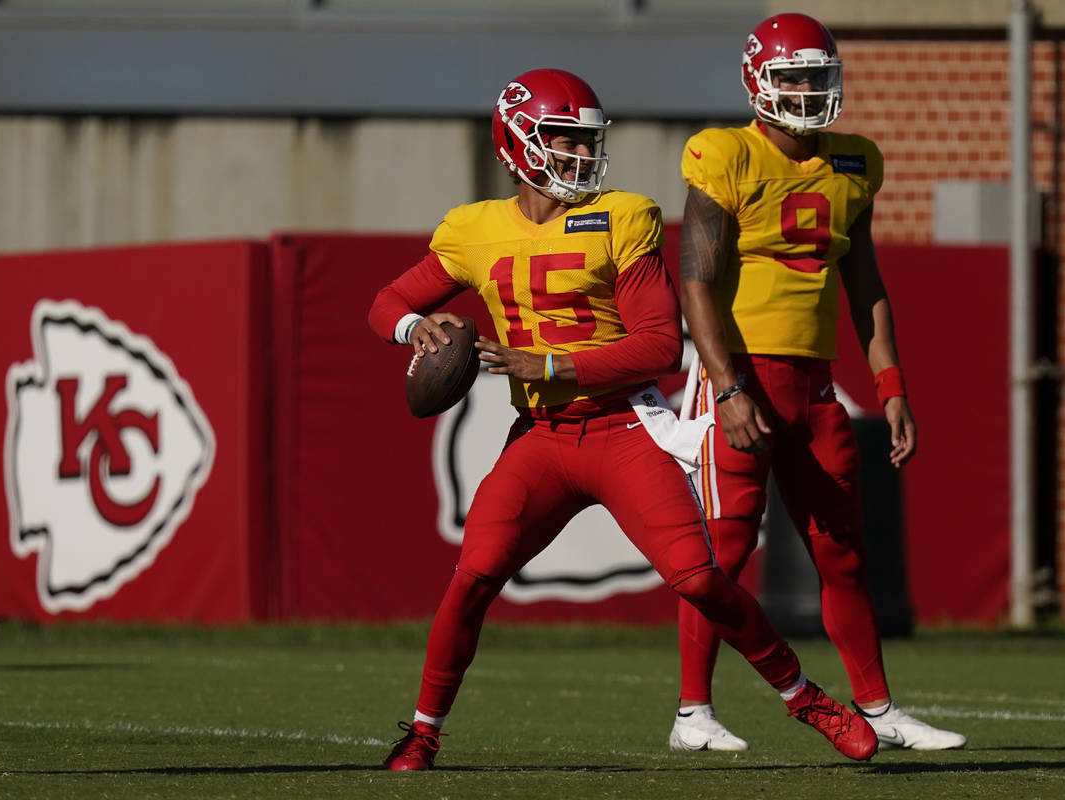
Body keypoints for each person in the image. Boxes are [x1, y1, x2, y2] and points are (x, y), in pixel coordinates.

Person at [368, 67, 879, 771]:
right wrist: (413, 331)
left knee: (700, 579)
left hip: (621, 429)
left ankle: (806, 698)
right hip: (542, 441)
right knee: (474, 576)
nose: (582, 157)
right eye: (565, 141)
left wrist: (544, 366)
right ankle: (422, 733)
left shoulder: (623, 216)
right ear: (517, 142)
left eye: (588, 143)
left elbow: (659, 347)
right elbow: (387, 300)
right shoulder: (472, 229)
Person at [669, 14, 967, 752]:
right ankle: (692, 712)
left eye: (816, 77)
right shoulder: (724, 153)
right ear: (757, 81)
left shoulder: (855, 162)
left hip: (814, 382)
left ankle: (878, 706)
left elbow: (864, 279)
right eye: (792, 77)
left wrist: (891, 382)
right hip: (740, 376)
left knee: (843, 549)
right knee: (723, 553)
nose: (806, 91)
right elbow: (696, 281)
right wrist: (728, 387)